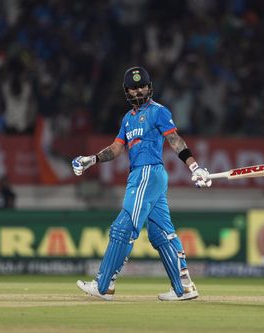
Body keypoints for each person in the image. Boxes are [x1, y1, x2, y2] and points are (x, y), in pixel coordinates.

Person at [72, 66, 212, 301]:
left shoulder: (159, 111)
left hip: (147, 173)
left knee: (122, 228)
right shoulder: (127, 119)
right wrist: (92, 160)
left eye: (142, 86)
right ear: (127, 91)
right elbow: (116, 148)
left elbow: (175, 140)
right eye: (133, 88)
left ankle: (104, 285)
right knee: (161, 234)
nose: (138, 91)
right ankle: (184, 288)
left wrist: (194, 167)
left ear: (150, 87)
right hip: (146, 177)